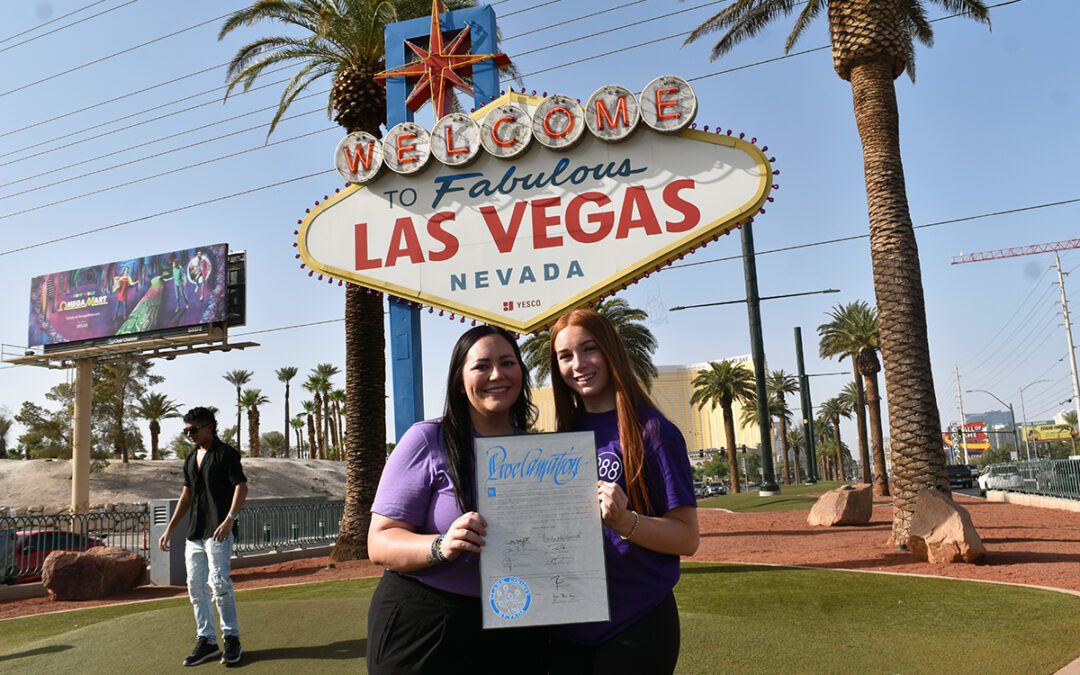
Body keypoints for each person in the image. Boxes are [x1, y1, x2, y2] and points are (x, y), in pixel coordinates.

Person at [366, 325, 547, 675]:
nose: (497, 374)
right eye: (481, 366)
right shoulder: (426, 439)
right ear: (459, 380)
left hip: (516, 627)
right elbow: (379, 541)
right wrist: (441, 546)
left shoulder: (541, 454)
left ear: (521, 374)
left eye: (508, 362)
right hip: (427, 624)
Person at [546, 308, 699, 675]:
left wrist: (625, 521)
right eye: (565, 356)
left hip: (637, 619)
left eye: (589, 349)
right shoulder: (561, 439)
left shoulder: (654, 431)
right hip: (568, 624)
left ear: (611, 351)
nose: (578, 364)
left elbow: (687, 537)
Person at [158, 407, 248, 667]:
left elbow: (241, 486)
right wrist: (170, 528)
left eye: (194, 429)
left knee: (218, 582)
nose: (190, 434)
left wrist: (230, 519)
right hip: (195, 532)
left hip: (218, 530)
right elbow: (186, 496)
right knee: (195, 586)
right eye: (186, 430)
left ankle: (232, 639)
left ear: (209, 427)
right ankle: (207, 640)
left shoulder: (225, 454)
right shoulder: (189, 459)